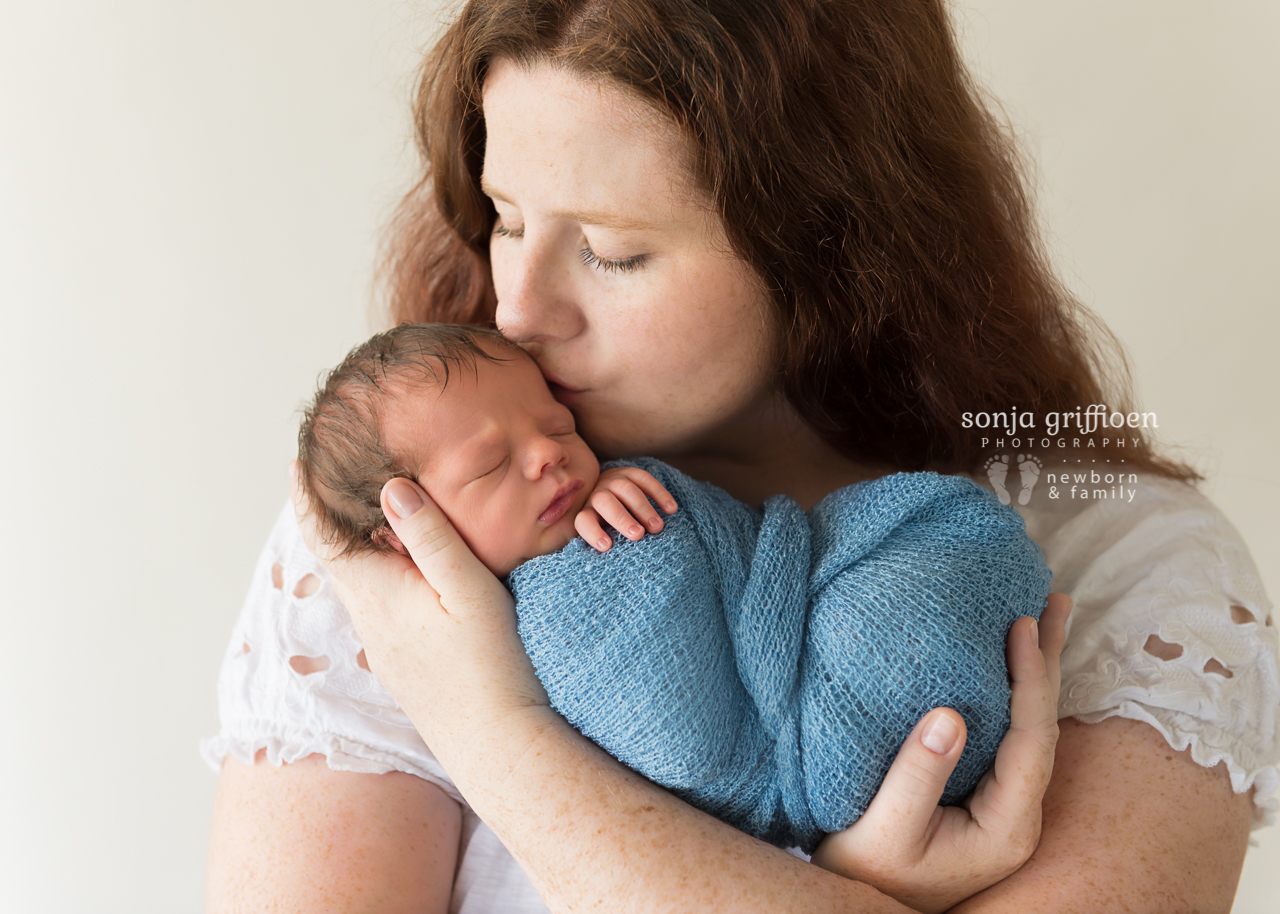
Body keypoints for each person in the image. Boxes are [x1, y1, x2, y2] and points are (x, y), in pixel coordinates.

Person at [204, 2, 1279, 912]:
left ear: (834, 245)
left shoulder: (1124, 571)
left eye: (611, 250)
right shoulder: (419, 521)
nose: (519, 307)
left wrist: (493, 732)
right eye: (504, 216)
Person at [292, 320, 1051, 854]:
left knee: (920, 551)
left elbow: (744, 550)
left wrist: (659, 497)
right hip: (800, 733)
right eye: (492, 467)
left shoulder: (612, 495)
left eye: (557, 428)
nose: (547, 461)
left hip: (811, 584)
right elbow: (685, 744)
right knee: (884, 633)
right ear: (409, 528)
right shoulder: (512, 627)